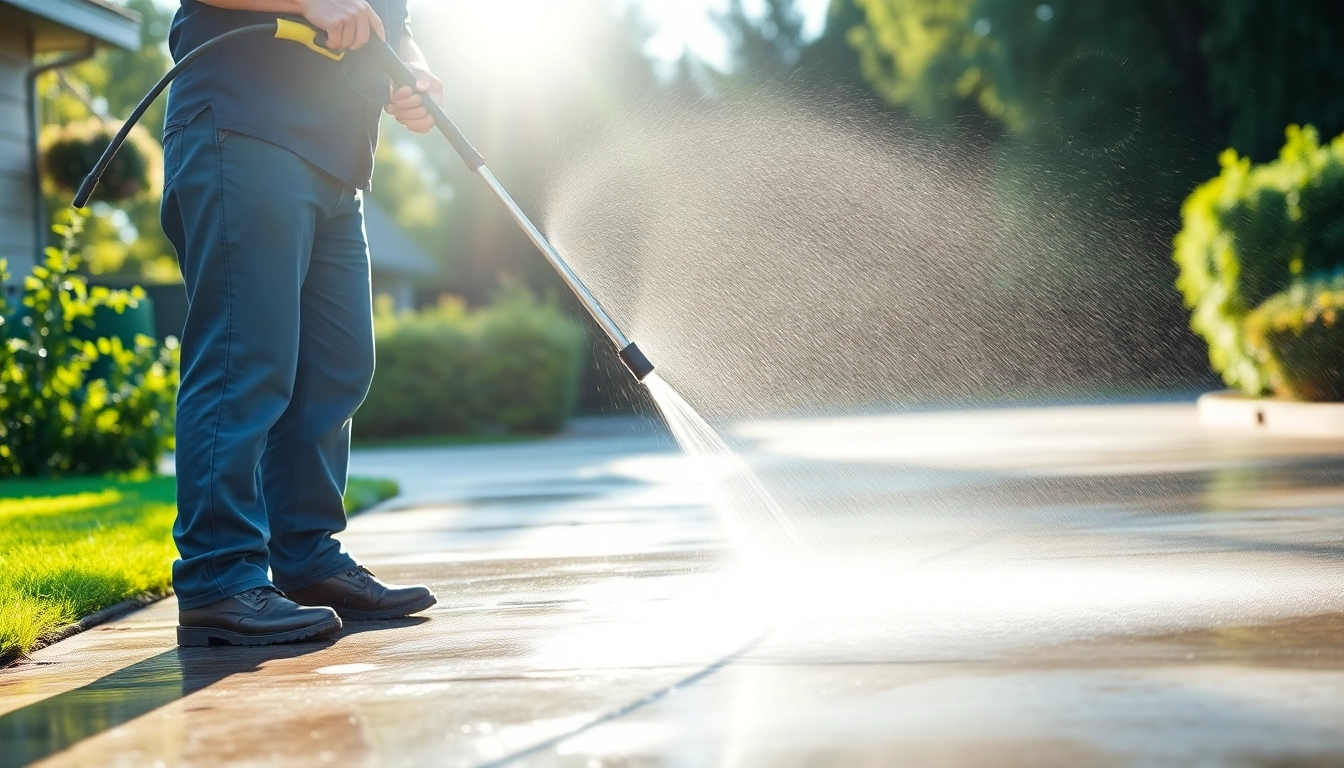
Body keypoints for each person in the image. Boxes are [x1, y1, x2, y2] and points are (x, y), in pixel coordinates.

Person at [161, 0, 444, 647]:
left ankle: (307, 559)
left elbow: (393, 21)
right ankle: (218, 574)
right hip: (244, 119)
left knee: (338, 365)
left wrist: (415, 76)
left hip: (340, 160)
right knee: (246, 355)